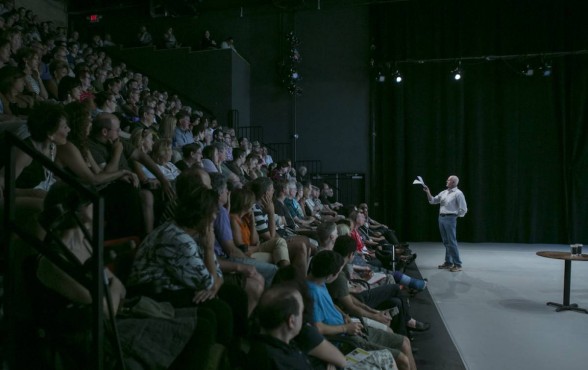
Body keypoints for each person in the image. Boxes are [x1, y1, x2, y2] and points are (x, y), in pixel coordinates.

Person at [423, 175, 468, 272]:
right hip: (441, 218)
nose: (446, 181)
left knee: (452, 242)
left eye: (448, 180)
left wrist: (454, 215)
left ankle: (458, 264)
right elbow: (433, 201)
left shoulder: (458, 193)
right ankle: (448, 262)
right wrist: (428, 192)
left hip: (450, 218)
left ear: (453, 182)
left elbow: (463, 209)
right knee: (446, 242)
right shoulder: (444, 192)